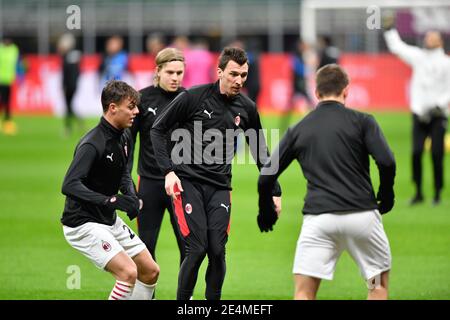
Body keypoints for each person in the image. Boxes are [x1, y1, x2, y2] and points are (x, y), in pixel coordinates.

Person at [150, 47, 282, 300]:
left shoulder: (247, 108)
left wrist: (274, 191)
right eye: (233, 74)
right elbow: (158, 129)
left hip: (220, 186)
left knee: (218, 251)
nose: (239, 81)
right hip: (187, 182)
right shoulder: (193, 97)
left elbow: (260, 151)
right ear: (219, 71)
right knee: (197, 248)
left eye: (243, 75)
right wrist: (168, 171)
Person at [258, 64, 396, 300]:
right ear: (346, 91)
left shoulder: (299, 129)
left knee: (304, 292)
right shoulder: (363, 122)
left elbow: (266, 177)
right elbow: (386, 161)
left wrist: (266, 209)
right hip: (362, 220)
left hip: (320, 223)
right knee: (376, 285)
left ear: (317, 93)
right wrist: (386, 193)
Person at [61, 80, 159, 300]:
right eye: (131, 106)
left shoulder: (124, 135)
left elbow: (124, 172)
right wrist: (111, 201)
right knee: (128, 273)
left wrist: (132, 197)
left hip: (107, 219)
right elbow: (69, 185)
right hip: (82, 222)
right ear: (113, 108)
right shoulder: (92, 143)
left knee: (150, 271)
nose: (136, 111)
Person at [129, 48, 186, 267]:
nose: (175, 78)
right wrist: (127, 181)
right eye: (170, 72)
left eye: (179, 73)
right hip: (149, 183)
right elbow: (129, 143)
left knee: (188, 245)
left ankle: (185, 297)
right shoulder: (142, 100)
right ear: (158, 71)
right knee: (146, 247)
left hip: (181, 185)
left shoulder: (189, 99)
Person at [384, 20, 450, 205]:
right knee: (416, 153)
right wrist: (389, 29)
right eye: (427, 37)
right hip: (419, 114)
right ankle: (418, 192)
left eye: (432, 37)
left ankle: (437, 193)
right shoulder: (419, 57)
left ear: (440, 41)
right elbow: (398, 47)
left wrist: (439, 104)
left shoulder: (446, 63)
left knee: (437, 154)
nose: (428, 39)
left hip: (438, 116)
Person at [57, 33, 82, 136]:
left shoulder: (69, 57)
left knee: (68, 106)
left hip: (70, 86)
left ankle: (68, 127)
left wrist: (66, 86)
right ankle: (78, 123)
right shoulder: (71, 56)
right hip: (71, 85)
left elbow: (69, 73)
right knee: (69, 106)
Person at [0, 37, 19, 135]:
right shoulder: (1, 49)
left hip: (8, 81)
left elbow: (17, 63)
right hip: (1, 80)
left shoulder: (14, 50)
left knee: (7, 102)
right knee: (2, 101)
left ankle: (7, 122)